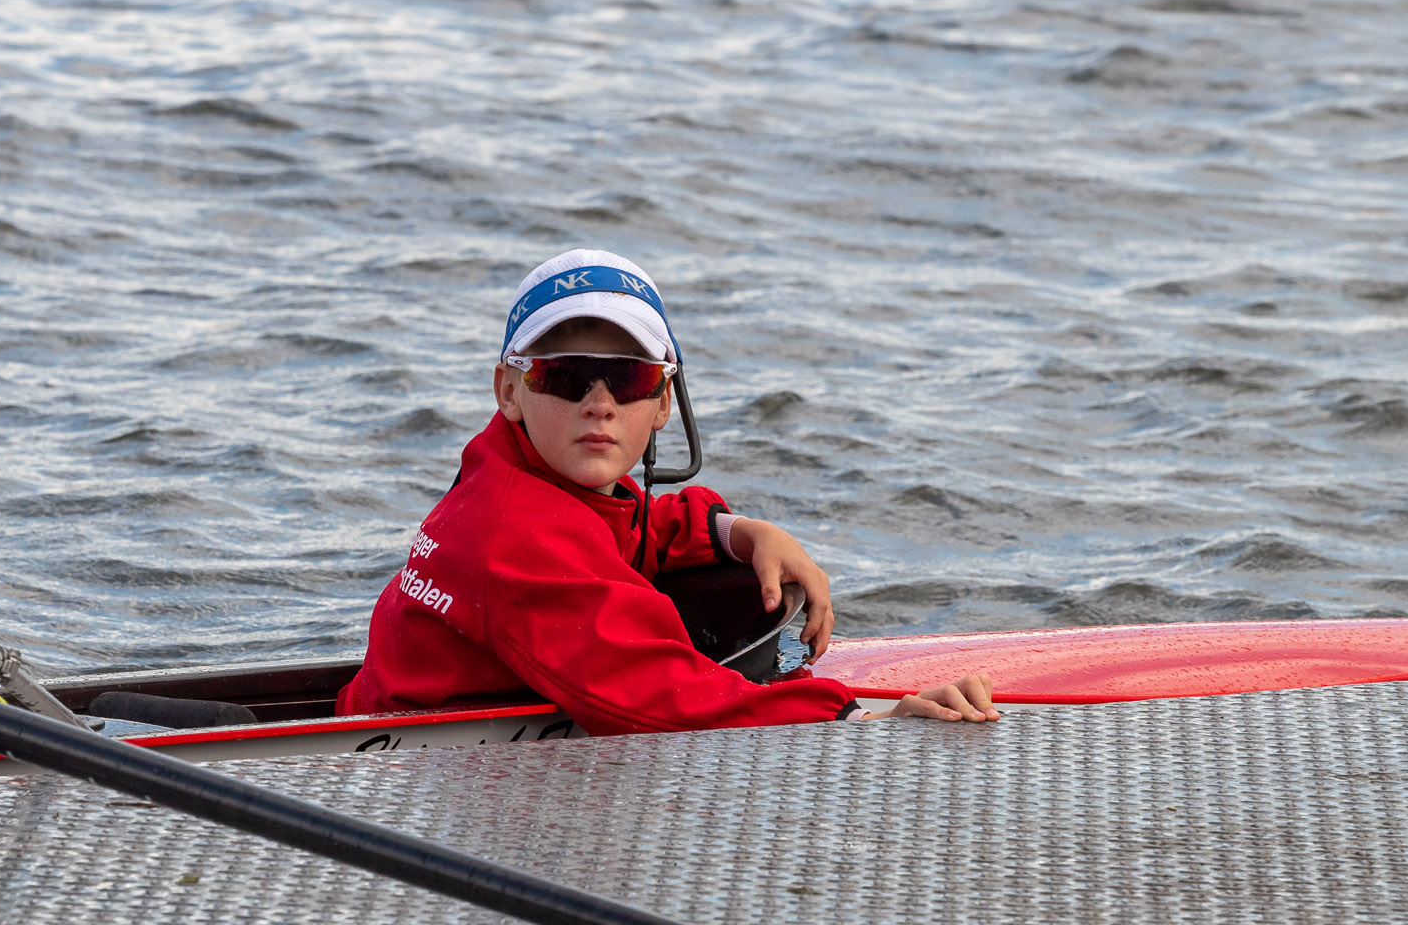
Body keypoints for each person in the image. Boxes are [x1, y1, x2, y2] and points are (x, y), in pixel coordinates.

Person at [339, 249, 998, 734]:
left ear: (660, 402)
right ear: (510, 391)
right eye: (566, 375)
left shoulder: (523, 471)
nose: (598, 404)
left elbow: (625, 529)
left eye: (625, 380)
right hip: (397, 776)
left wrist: (737, 533)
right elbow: (658, 696)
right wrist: (862, 721)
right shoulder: (513, 530)